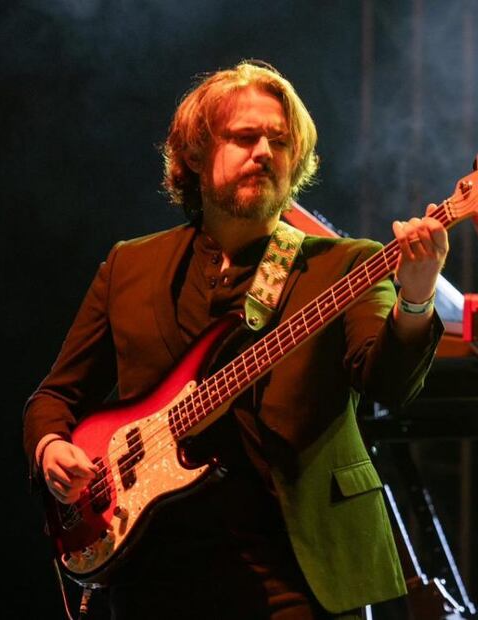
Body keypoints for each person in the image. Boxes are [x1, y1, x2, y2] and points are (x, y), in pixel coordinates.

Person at [23, 61, 447, 619]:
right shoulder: (130, 266)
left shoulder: (345, 265)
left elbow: (389, 385)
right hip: (152, 572)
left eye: (280, 141)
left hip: (295, 575)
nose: (265, 152)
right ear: (195, 155)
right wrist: (51, 448)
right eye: (245, 137)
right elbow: (55, 397)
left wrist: (416, 299)